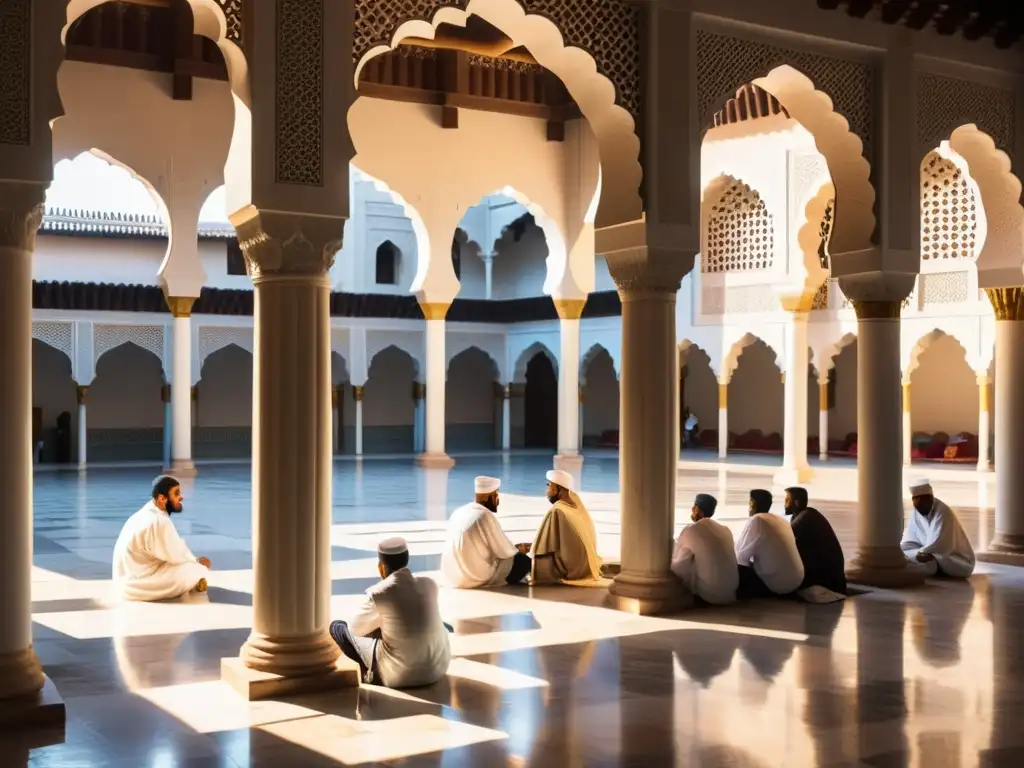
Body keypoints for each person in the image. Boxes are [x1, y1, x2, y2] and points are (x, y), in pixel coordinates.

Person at [329, 537, 451, 688]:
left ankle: (369, 673)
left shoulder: (380, 593)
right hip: (438, 669)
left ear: (381, 567)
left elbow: (356, 629)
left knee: (338, 628)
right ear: (407, 560)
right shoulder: (430, 584)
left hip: (400, 676)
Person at [112, 475, 210, 601]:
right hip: (136, 587)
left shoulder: (145, 512)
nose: (181, 497)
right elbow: (176, 555)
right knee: (195, 569)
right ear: (162, 498)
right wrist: (198, 562)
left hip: (123, 582)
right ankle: (195, 582)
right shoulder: (159, 521)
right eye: (176, 494)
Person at [441, 476, 532, 588]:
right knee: (523, 561)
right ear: (489, 496)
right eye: (496, 495)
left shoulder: (459, 512)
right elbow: (505, 551)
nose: (497, 500)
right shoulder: (483, 515)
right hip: (475, 576)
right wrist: (520, 550)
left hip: (454, 577)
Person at [531, 469, 603, 584]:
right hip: (586, 566)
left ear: (557, 489)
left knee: (533, 559)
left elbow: (542, 548)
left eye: (549, 486)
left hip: (573, 570)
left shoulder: (557, 510)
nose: (546, 490)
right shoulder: (576, 505)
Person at [734, 489, 804, 599]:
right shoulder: (781, 520)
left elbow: (741, 558)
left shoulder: (757, 520)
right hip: (796, 582)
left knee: (735, 568)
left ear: (752, 503)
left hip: (777, 584)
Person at [670, 493, 738, 605]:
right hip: (730, 593)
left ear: (696, 509)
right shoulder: (725, 529)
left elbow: (680, 567)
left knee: (686, 560)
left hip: (709, 594)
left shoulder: (692, 530)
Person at [901, 478, 976, 578]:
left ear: (931, 498)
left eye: (923, 500)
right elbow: (910, 539)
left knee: (929, 565)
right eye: (915, 500)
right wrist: (905, 550)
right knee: (900, 552)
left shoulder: (942, 512)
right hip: (928, 552)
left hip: (954, 559)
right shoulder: (917, 512)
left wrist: (922, 552)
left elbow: (940, 544)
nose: (919, 504)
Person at [784, 487, 847, 595]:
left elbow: (786, 537)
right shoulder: (801, 515)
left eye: (787, 500)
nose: (785, 504)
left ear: (797, 502)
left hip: (827, 580)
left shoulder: (806, 516)